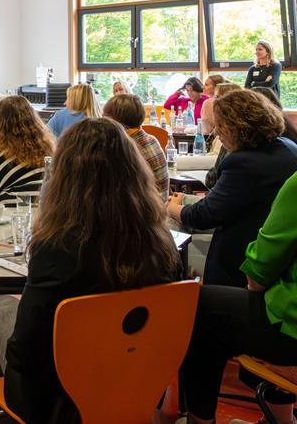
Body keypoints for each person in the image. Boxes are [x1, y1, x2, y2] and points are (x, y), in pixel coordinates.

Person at [0, 118, 181, 423]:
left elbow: (24, 349)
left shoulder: (55, 247)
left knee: (1, 309)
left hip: (61, 399)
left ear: (64, 175)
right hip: (138, 384)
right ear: (133, 170)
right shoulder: (161, 241)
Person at [180, 171, 297, 424]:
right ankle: (279, 418)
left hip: (291, 331)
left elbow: (258, 275)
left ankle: (199, 419)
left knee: (200, 307)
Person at [167, 90, 297, 287]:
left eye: (220, 126)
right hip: (279, 257)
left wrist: (174, 209)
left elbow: (206, 215)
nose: (216, 132)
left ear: (239, 126)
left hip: (241, 264)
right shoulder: (288, 147)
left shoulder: (243, 163)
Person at [0, 95, 54, 206]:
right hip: (42, 216)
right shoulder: (50, 153)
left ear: (1, 124)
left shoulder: (1, 158)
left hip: (8, 217)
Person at [103, 94, 169, 200]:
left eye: (105, 118)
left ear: (116, 121)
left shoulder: (128, 148)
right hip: (160, 205)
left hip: (149, 211)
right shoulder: (151, 139)